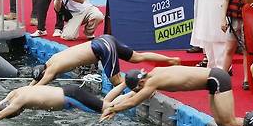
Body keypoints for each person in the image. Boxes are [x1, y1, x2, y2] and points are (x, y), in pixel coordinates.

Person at [100, 66, 242, 126]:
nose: (140, 92)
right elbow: (132, 96)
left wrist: (113, 110)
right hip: (211, 81)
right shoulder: (154, 73)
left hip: (216, 79)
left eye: (139, 89)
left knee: (230, 123)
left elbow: (133, 102)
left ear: (141, 83)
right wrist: (112, 107)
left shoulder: (152, 82)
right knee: (221, 124)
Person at [32, 34, 180, 87]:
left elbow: (40, 83)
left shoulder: (51, 69)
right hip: (104, 39)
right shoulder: (51, 60)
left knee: (117, 81)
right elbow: (38, 77)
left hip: (103, 48)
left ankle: (145, 83)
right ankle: (172, 60)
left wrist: (24, 93)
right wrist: (31, 82)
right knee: (137, 57)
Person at [0, 84, 105, 126]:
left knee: (106, 109)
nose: (21, 112)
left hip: (71, 98)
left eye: (18, 113)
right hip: (68, 90)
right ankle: (124, 88)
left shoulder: (17, 103)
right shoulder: (14, 93)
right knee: (105, 105)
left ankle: (125, 87)